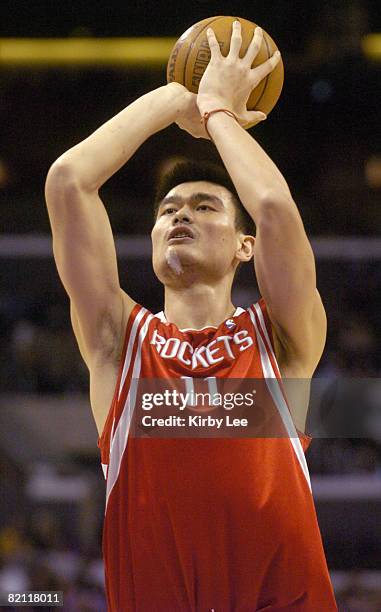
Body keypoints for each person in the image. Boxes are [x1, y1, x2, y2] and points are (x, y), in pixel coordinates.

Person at [45, 22, 337, 611]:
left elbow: (276, 210)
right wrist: (174, 99)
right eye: (168, 209)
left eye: (204, 207)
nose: (179, 215)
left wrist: (217, 114)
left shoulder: (279, 340)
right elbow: (69, 181)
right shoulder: (117, 341)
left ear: (244, 247)